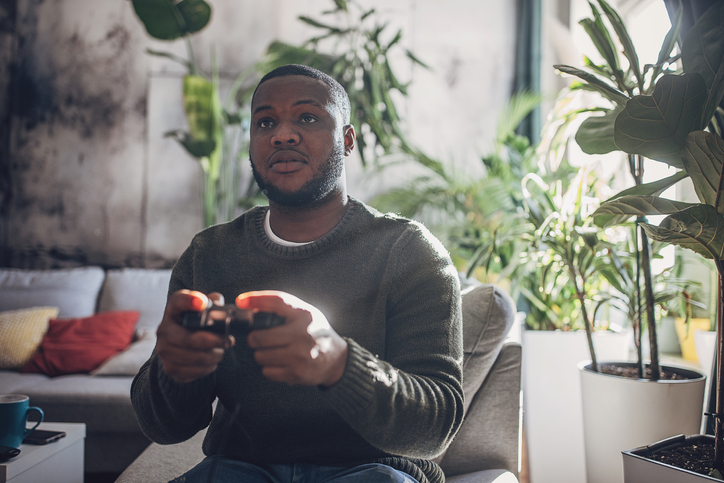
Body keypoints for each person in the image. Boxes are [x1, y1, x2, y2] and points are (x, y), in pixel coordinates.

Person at [131, 64, 464, 483]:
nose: (282, 134)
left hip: (372, 472)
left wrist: (339, 364)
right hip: (239, 471)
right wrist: (174, 370)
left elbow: (436, 428)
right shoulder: (209, 255)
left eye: (308, 117)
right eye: (265, 121)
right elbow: (161, 428)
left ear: (347, 141)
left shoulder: (408, 252)